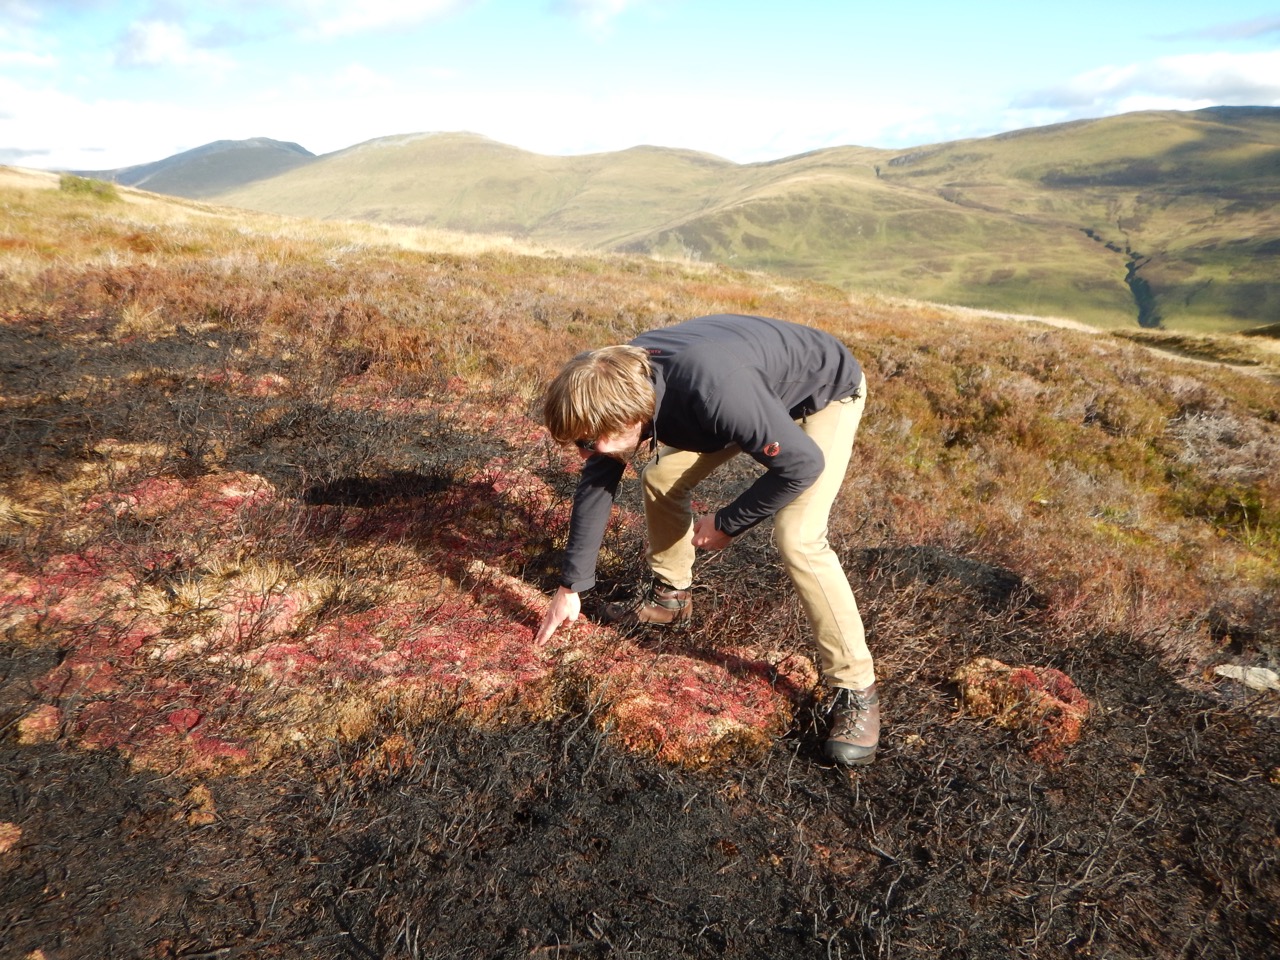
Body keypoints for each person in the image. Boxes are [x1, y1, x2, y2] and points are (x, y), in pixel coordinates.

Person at [534, 314, 878, 766]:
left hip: (825, 387)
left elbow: (802, 465)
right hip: (742, 387)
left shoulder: (716, 393)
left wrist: (729, 522)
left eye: (588, 440)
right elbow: (597, 483)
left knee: (799, 536)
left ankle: (856, 688)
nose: (584, 452)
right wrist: (571, 587)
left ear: (630, 416)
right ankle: (670, 597)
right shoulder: (617, 381)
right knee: (660, 477)